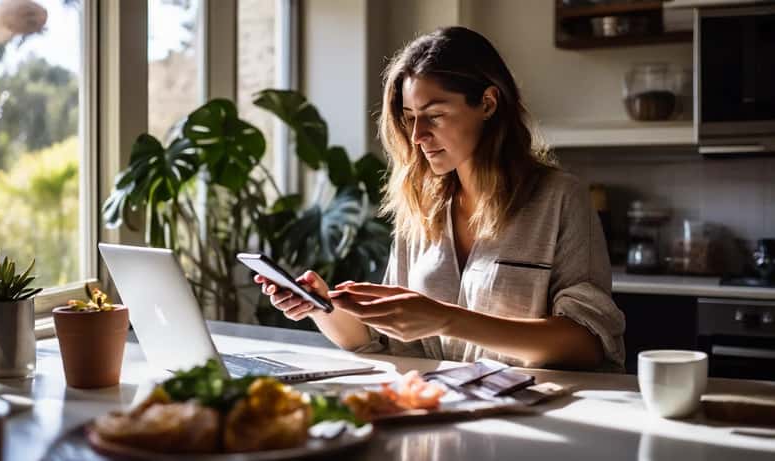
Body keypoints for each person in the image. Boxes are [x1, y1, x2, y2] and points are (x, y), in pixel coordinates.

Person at [254, 26, 625, 371]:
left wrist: (447, 319)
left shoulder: (559, 199)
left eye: (435, 115)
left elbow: (589, 342)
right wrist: (323, 307)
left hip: (533, 418)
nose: (417, 135)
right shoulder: (421, 207)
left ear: (488, 103)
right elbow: (383, 343)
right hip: (441, 415)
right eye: (410, 117)